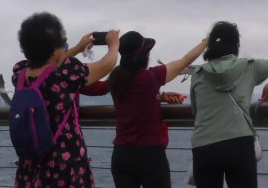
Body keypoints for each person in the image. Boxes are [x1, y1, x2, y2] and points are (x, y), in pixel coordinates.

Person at [83, 31, 206, 188]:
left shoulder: (116, 78)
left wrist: (158, 96)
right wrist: (206, 41)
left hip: (121, 155)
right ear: (143, 56)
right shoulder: (151, 77)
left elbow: (133, 97)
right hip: (150, 155)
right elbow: (184, 61)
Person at [11, 11, 120, 188]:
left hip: (30, 168)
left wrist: (77, 48)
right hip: (65, 166)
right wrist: (113, 45)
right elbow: (106, 64)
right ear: (55, 49)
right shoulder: (67, 74)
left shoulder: (20, 74)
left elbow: (52, 64)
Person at [189, 21, 268, 188]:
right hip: (238, 143)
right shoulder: (250, 67)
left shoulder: (198, 74)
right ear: (237, 45)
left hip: (204, 146)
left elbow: (195, 111)